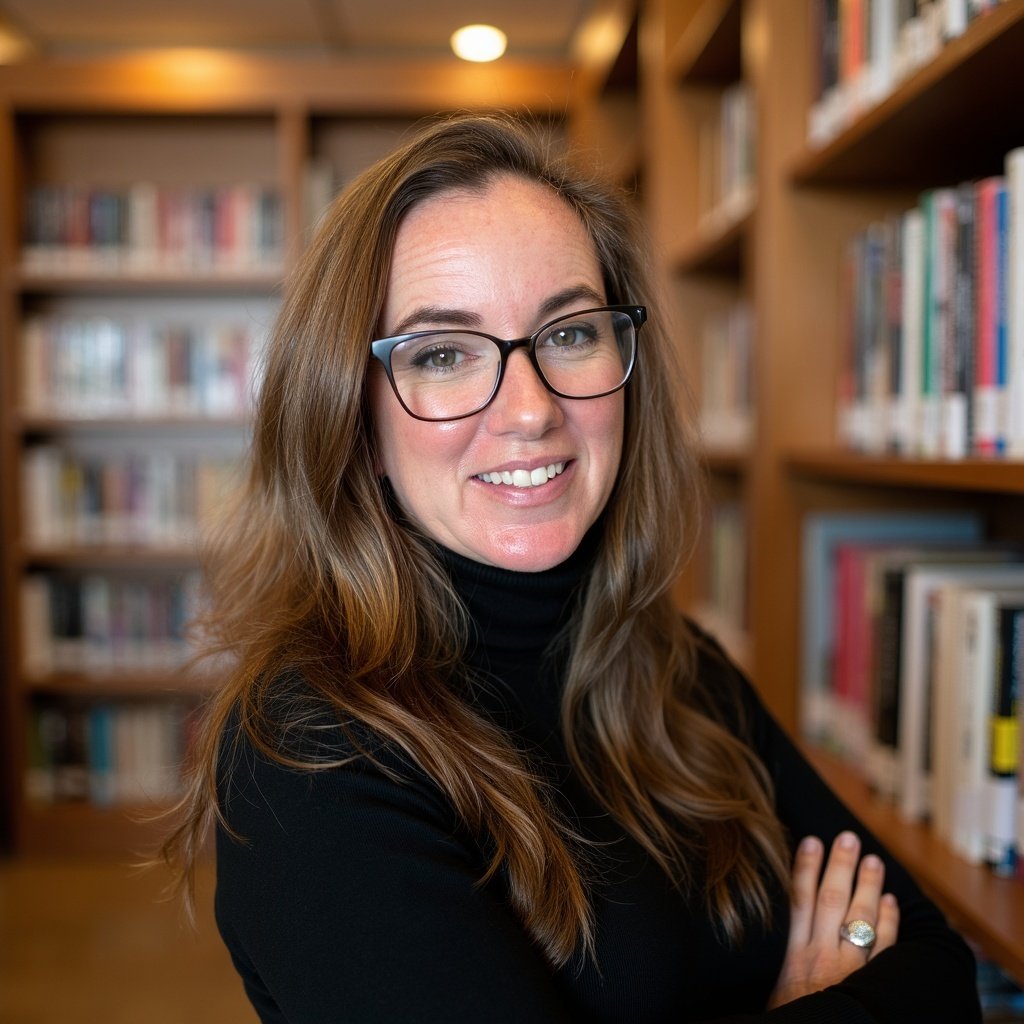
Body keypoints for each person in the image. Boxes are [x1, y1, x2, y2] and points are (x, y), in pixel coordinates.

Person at [161, 112, 982, 1023]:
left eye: (570, 334)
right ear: (353, 421)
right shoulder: (310, 757)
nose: (530, 410)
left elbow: (942, 972)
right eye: (443, 353)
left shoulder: (675, 667)